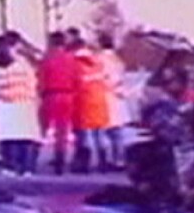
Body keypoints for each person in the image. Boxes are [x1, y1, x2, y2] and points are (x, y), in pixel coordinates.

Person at [0, 32, 42, 176]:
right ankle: (27, 167)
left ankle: (10, 166)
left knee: (9, 136)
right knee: (26, 136)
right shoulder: (24, 63)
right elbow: (33, 81)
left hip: (5, 103)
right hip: (24, 101)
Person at [70, 32, 113, 173]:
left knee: (85, 137)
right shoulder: (99, 63)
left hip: (83, 103)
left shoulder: (75, 65)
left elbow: (72, 84)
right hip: (100, 102)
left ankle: (83, 165)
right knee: (100, 135)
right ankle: (103, 163)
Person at [38, 31, 77, 174]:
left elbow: (41, 79)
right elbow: (76, 78)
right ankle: (60, 159)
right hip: (67, 95)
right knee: (62, 130)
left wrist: (40, 94)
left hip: (50, 95)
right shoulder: (71, 59)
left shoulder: (47, 59)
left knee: (43, 127)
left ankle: (32, 157)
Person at [97, 32, 128, 168]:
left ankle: (104, 160)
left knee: (102, 132)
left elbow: (101, 78)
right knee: (117, 133)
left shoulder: (99, 59)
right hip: (117, 96)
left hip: (104, 97)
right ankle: (119, 159)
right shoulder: (118, 60)